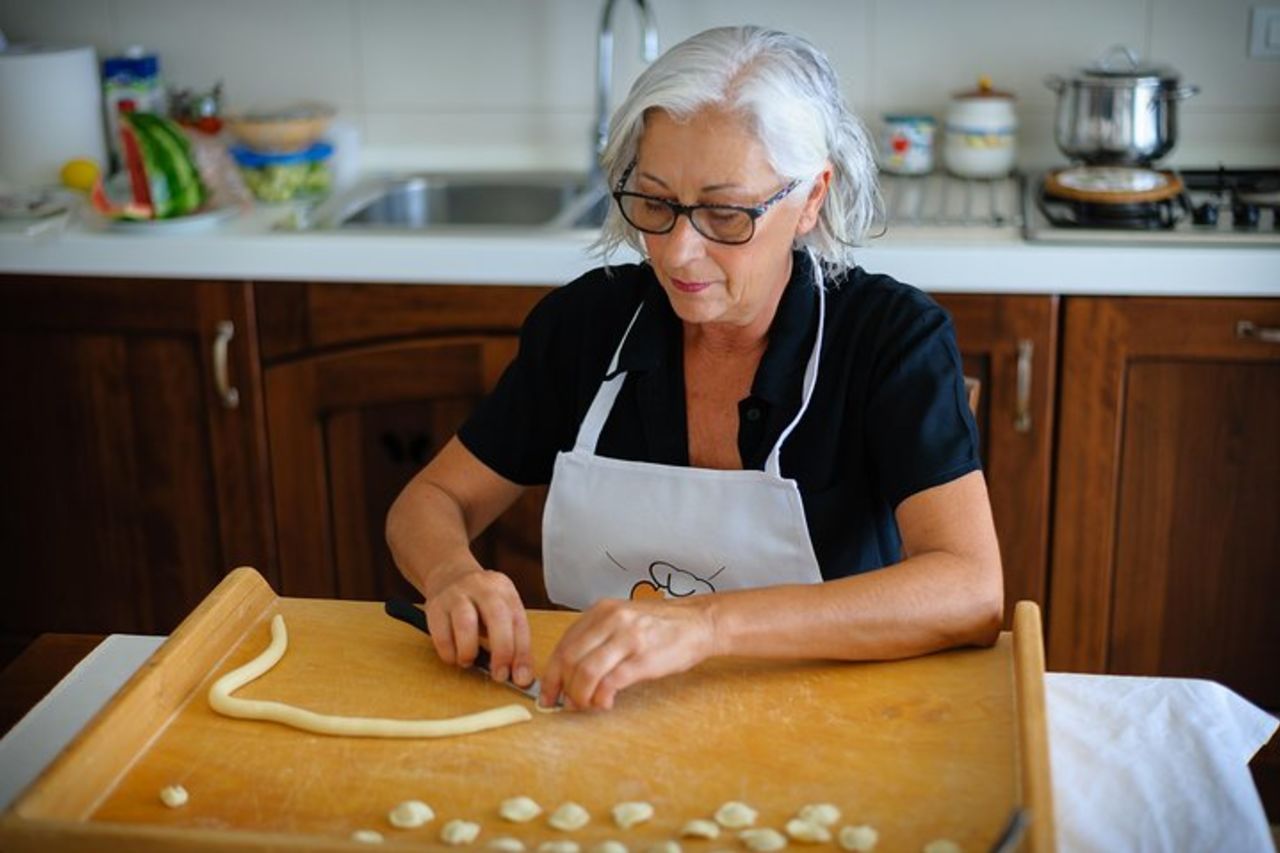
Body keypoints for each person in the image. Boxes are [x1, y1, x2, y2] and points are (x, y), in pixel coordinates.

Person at [386, 25, 1002, 712]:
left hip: (833, 721)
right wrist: (449, 574)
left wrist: (707, 625)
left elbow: (969, 590)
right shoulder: (588, 328)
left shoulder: (889, 340)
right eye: (655, 203)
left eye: (725, 213)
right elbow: (430, 500)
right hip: (598, 717)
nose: (679, 253)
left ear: (810, 199)